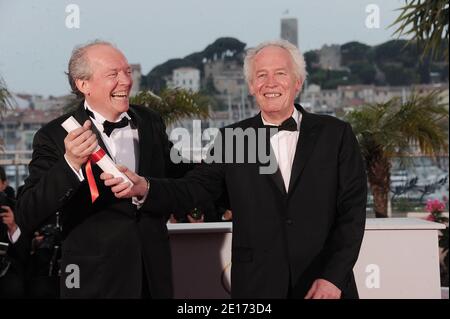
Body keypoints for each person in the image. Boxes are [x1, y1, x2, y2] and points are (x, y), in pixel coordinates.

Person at [102, 39, 368, 299]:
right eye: (261, 75)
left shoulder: (336, 134)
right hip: (257, 285)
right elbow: (196, 187)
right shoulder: (232, 138)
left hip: (325, 284)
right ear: (251, 86)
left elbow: (352, 214)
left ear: (297, 82)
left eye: (280, 74)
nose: (270, 83)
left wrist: (333, 277)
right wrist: (145, 188)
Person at [16, 40, 188, 298]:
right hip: (94, 283)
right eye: (113, 74)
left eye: (127, 72)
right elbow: (27, 212)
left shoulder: (150, 121)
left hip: (153, 278)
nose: (126, 81)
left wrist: (146, 192)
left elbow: (179, 180)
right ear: (83, 84)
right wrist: (70, 164)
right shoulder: (53, 135)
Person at [0, 167, 29, 298]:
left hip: (7, 268)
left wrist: (12, 227)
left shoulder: (15, 208)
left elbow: (24, 249)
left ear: (4, 184)